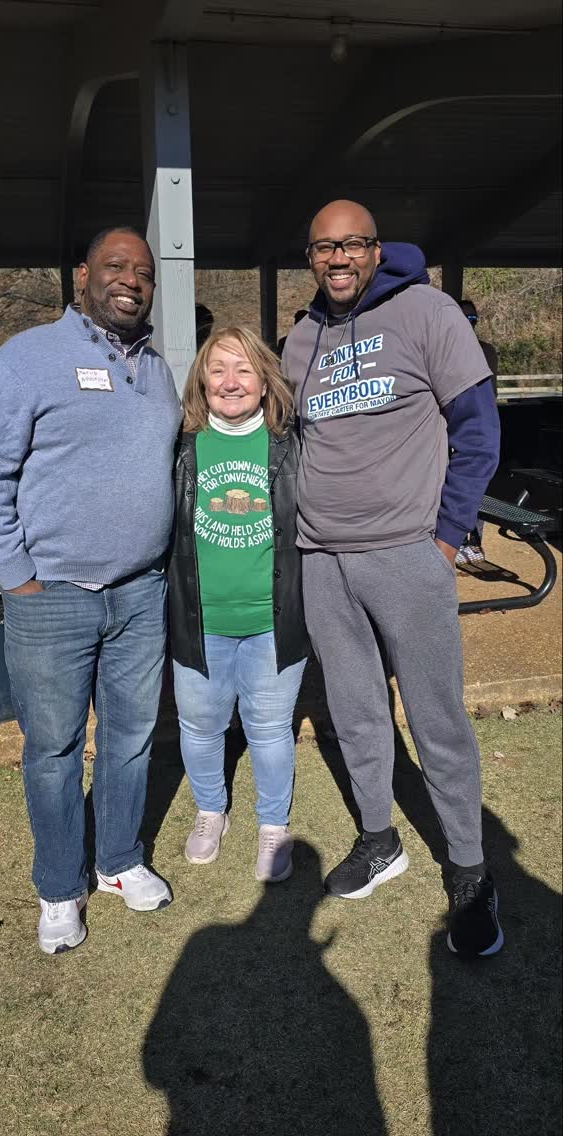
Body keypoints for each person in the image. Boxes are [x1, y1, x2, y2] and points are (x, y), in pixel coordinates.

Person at [282, 199, 503, 957]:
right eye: (323, 248)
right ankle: (380, 838)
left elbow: (477, 425)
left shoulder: (427, 311)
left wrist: (446, 539)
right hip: (323, 559)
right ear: (309, 258)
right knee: (355, 711)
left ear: (376, 251)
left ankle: (472, 873)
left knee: (438, 721)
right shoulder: (302, 337)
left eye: (352, 245)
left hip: (408, 555)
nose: (338, 259)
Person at [0, 226, 182, 955]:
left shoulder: (155, 368)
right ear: (82, 274)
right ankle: (60, 885)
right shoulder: (28, 359)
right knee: (52, 748)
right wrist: (16, 573)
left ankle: (118, 861)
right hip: (51, 594)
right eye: (116, 266)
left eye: (143, 272)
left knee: (130, 739)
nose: (131, 280)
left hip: (139, 594)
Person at [168, 326, 309, 882]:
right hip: (200, 621)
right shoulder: (182, 446)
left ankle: (273, 825)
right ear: (202, 378)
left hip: (273, 620)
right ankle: (210, 812)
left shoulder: (289, 445)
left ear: (264, 379)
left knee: (270, 728)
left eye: (244, 369)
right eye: (218, 369)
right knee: (200, 726)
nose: (231, 382)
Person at [456, 299, 499, 564]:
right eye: (463, 318)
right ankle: (457, 539)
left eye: (472, 319)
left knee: (477, 485)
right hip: (452, 429)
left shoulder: (486, 351)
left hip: (479, 428)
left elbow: (489, 393)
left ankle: (475, 542)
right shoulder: (444, 350)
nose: (467, 324)